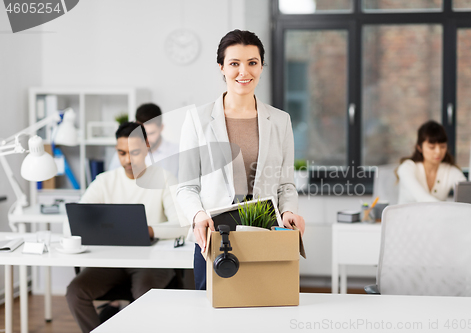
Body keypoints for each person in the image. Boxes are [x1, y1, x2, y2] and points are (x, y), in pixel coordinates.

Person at [176, 29, 305, 291]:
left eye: (252, 63)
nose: (243, 72)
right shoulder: (197, 120)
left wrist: (289, 210)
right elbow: (187, 187)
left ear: (261, 66)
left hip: (265, 233)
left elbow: (285, 185)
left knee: (265, 307)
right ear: (221, 67)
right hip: (214, 234)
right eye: (234, 63)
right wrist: (198, 215)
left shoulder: (280, 121)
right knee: (211, 312)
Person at [66, 122, 186, 333]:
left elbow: (182, 226)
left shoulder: (164, 179)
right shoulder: (105, 181)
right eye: (122, 153)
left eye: (134, 152)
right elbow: (78, 217)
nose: (127, 160)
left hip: (151, 262)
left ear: (147, 146)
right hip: (110, 261)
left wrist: (148, 230)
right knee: (75, 291)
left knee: (144, 294)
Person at [396, 120, 466, 204]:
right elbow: (422, 198)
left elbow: (468, 196)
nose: (438, 152)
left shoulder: (450, 171)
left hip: (437, 216)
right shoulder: (407, 168)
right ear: (419, 148)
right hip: (407, 217)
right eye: (432, 147)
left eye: (442, 146)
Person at [109, 103, 179, 178]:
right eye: (142, 133)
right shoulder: (123, 153)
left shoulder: (177, 153)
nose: (147, 139)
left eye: (151, 133)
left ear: (161, 127)